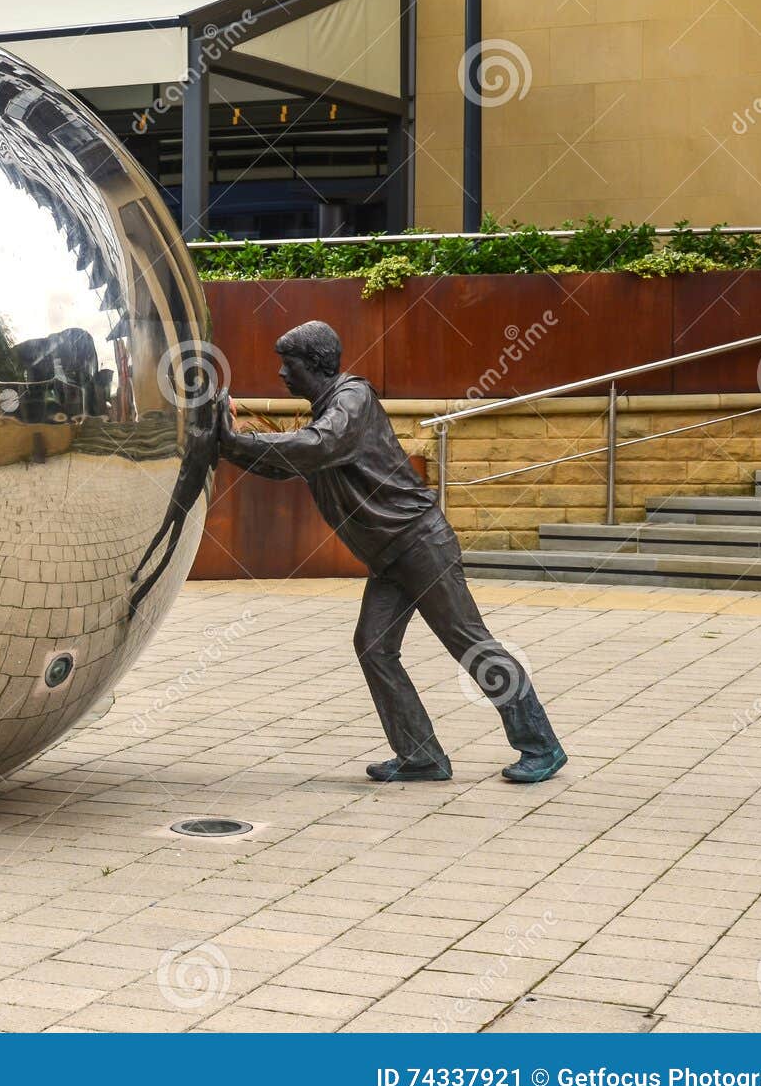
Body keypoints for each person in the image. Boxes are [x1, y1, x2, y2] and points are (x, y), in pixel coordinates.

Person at [216, 320, 567, 784]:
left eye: (289, 363)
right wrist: (228, 442)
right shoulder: (327, 413)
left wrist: (233, 439)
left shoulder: (350, 401)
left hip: (419, 543)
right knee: (374, 646)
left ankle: (541, 745)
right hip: (391, 554)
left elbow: (317, 447)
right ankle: (421, 756)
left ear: (315, 364)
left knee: (468, 641)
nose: (281, 373)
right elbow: (289, 466)